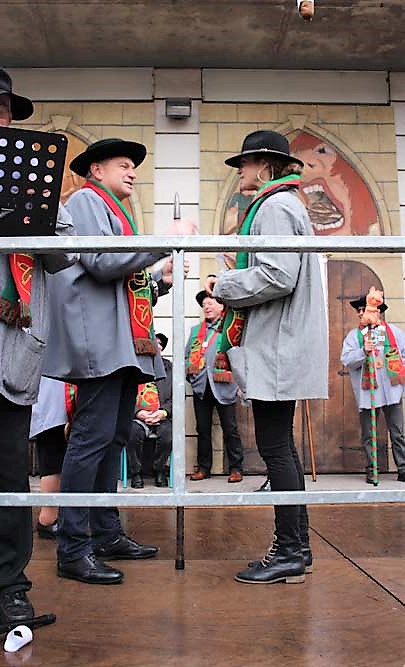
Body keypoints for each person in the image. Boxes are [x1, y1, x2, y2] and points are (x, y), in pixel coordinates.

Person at [43, 137, 192, 585]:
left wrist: (159, 278)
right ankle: (73, 547)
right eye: (123, 165)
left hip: (119, 344)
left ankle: (106, 534)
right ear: (96, 170)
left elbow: (125, 282)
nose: (132, 173)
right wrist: (163, 243)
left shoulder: (112, 209)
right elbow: (102, 262)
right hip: (101, 343)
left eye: (133, 167)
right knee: (91, 439)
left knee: (113, 439)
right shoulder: (87, 201)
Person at [0, 60, 77, 621]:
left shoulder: (34, 177)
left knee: (5, 462)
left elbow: (67, 251)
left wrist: (26, 215)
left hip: (1, 341)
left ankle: (7, 583)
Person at [208, 129, 328, 584]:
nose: (240, 170)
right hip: (281, 342)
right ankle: (298, 547)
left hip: (278, 345)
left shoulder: (275, 206)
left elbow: (278, 274)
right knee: (283, 448)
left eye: (244, 162)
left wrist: (225, 284)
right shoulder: (285, 204)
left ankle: (289, 551)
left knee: (276, 448)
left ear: (263, 165)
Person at [340, 295, 405, 484]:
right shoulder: (355, 336)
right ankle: (372, 468)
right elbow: (347, 360)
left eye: (364, 309)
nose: (360, 313)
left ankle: (403, 467)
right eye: (359, 310)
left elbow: (403, 354)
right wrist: (363, 351)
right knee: (369, 434)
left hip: (391, 390)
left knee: (397, 431)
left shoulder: (394, 333)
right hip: (368, 391)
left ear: (378, 312)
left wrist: (399, 370)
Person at [186, 288, 244, 483]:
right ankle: (204, 468)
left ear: (222, 306)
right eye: (204, 305)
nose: (207, 307)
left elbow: (239, 355)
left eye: (210, 303)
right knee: (202, 430)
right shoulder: (196, 331)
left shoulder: (230, 330)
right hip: (201, 388)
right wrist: (192, 376)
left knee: (230, 429)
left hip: (224, 387)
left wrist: (238, 382)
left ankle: (236, 468)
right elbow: (187, 356)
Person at [127, 333, 173, 489]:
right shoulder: (133, 367)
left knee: (167, 435)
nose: (156, 346)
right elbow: (124, 395)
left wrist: (163, 412)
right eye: (154, 343)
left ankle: (159, 470)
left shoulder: (170, 369)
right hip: (138, 416)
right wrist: (138, 412)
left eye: (159, 344)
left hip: (161, 415)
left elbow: (176, 397)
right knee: (132, 433)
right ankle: (136, 473)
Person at [29, 377, 70, 538]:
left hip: (61, 393)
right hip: (53, 397)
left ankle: (52, 517)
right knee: (53, 455)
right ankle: (48, 518)